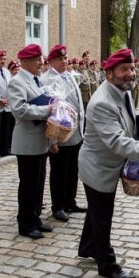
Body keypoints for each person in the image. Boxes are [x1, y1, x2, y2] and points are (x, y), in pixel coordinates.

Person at [77, 49, 139, 278]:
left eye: (132, 68)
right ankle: (107, 265)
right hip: (98, 168)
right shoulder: (102, 102)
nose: (131, 73)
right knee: (103, 215)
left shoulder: (123, 93)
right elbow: (117, 142)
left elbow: (130, 128)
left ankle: (88, 247)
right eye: (125, 69)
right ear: (109, 73)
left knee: (96, 210)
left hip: (107, 164)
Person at [8, 44, 56, 239]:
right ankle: (25, 223)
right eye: (37, 59)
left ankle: (35, 217)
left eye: (41, 59)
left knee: (38, 183)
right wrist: (47, 110)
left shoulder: (35, 81)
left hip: (40, 141)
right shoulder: (17, 82)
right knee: (28, 185)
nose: (41, 62)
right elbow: (19, 110)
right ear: (24, 62)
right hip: (27, 142)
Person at [40, 44, 87, 222]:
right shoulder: (47, 79)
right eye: (60, 59)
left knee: (73, 169)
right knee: (59, 171)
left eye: (65, 58)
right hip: (60, 134)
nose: (64, 61)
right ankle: (58, 205)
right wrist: (52, 141)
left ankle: (70, 200)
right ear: (51, 61)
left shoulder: (69, 75)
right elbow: (50, 111)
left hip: (75, 133)